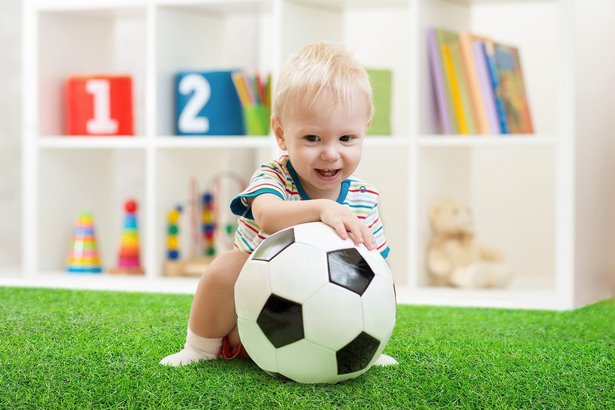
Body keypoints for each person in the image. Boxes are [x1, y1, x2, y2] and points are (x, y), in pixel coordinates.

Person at [160, 41, 397, 367]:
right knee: (227, 266)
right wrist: (322, 210)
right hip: (248, 321)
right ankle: (200, 348)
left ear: (364, 131)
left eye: (346, 138)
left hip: (324, 326)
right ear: (282, 134)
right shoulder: (273, 177)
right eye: (312, 138)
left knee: (381, 280)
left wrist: (366, 324)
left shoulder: (363, 198)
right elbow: (268, 216)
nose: (330, 153)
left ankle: (363, 347)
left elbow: (378, 269)